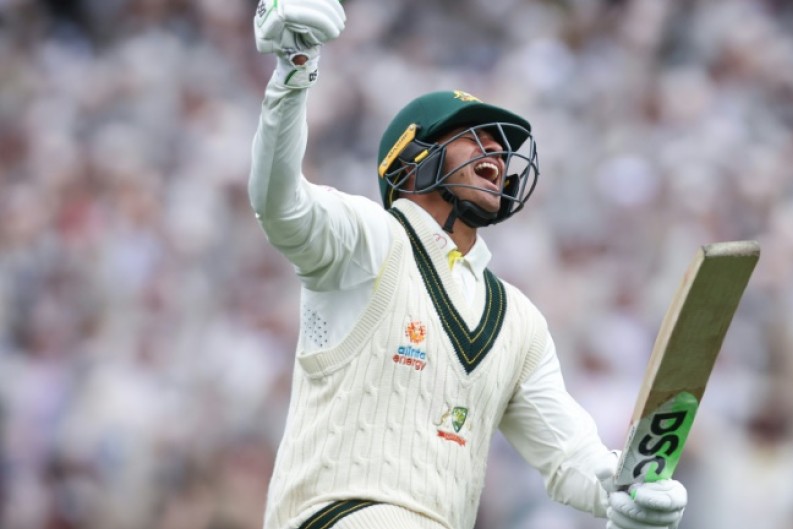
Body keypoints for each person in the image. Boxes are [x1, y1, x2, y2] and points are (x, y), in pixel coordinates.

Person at [249, 1, 688, 528]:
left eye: (502, 147)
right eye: (473, 137)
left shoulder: (518, 321)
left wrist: (628, 492)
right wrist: (293, 71)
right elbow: (281, 205)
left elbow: (572, 456)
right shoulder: (368, 239)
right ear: (412, 162)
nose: (497, 156)